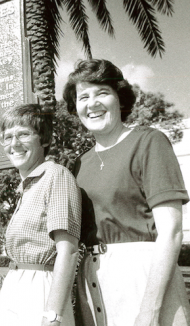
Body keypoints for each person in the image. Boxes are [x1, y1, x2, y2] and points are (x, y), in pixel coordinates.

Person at [63, 59, 190, 326]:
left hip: (144, 279)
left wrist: (150, 311)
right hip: (93, 284)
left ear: (120, 99)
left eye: (102, 93)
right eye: (83, 96)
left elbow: (172, 231)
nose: (92, 103)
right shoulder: (77, 164)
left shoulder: (149, 142)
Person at [0, 104, 81, 326]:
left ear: (43, 139)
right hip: (16, 283)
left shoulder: (56, 176)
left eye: (23, 134)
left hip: (40, 286)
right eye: (7, 137)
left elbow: (68, 251)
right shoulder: (27, 186)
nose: (14, 144)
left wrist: (52, 315)